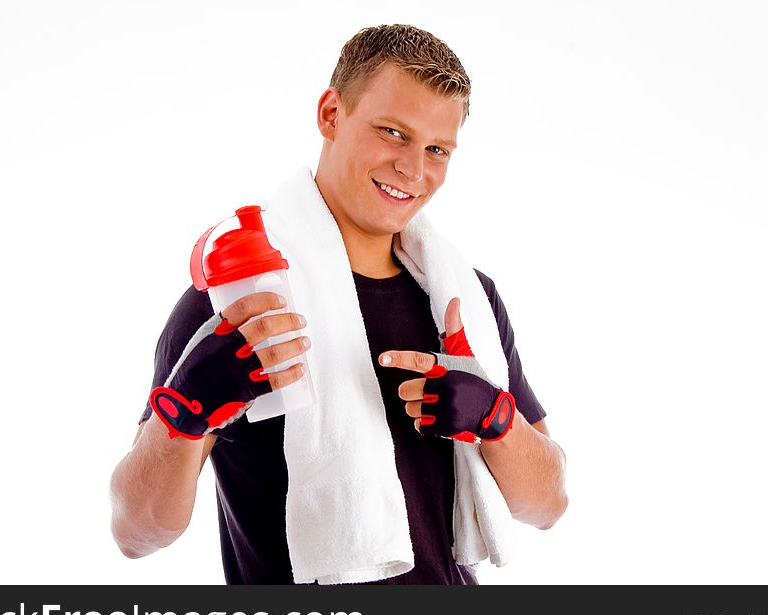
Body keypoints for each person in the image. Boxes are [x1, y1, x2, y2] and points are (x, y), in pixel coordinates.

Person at [110, 24, 567, 585]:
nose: (413, 169)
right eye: (393, 133)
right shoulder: (240, 300)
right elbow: (136, 532)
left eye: (437, 149)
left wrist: (496, 420)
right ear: (331, 114)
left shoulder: (465, 299)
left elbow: (547, 505)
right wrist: (184, 413)